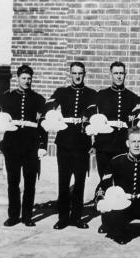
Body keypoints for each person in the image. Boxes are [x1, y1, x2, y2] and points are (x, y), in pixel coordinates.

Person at [0, 65, 48, 227]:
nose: (26, 81)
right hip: (12, 143)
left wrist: (42, 145)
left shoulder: (39, 99)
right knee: (13, 181)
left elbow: (42, 125)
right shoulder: (7, 97)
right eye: (23, 78)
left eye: (29, 78)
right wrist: (1, 143)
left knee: (30, 182)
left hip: (30, 145)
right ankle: (13, 216)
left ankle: (27, 216)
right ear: (18, 78)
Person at [46, 62, 96, 230]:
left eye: (80, 73)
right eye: (74, 73)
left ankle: (76, 217)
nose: (77, 76)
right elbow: (48, 107)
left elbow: (96, 114)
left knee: (80, 181)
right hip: (64, 141)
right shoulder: (62, 92)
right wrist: (54, 117)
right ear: (70, 74)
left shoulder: (91, 94)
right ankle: (62, 217)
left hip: (82, 142)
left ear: (84, 74)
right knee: (63, 180)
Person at [96, 126, 140, 251]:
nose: (136, 145)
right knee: (119, 234)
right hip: (122, 204)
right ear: (128, 143)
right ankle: (115, 226)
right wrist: (101, 199)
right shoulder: (116, 161)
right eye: (133, 142)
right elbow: (103, 185)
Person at [93, 61, 140, 179]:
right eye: (116, 73)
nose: (119, 76)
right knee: (104, 178)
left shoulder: (133, 97)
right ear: (111, 74)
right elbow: (94, 118)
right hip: (104, 144)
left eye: (121, 73)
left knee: (122, 178)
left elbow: (134, 123)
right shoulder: (101, 95)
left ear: (125, 74)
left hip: (122, 144)